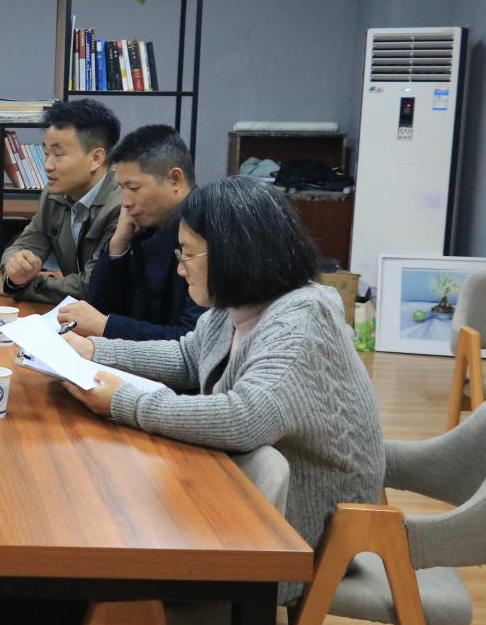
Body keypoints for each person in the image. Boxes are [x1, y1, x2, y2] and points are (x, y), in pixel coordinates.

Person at [64, 176, 384, 596]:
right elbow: (187, 357)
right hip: (247, 495)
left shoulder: (300, 320)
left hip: (303, 532)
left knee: (114, 534)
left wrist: (126, 402)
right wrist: (94, 351)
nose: (180, 267)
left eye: (188, 254)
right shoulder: (236, 303)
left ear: (234, 253)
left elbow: (245, 417)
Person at [59, 124, 204, 340]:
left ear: (175, 179)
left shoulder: (207, 232)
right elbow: (97, 307)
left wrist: (107, 326)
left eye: (134, 188)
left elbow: (191, 340)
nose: (125, 202)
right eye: (121, 188)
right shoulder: (145, 225)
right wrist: (118, 244)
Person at [0, 98, 122, 304]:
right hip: (74, 315)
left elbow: (91, 287)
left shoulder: (123, 205)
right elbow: (24, 244)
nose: (47, 166)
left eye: (58, 155)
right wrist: (15, 266)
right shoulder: (53, 195)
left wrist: (17, 287)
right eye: (46, 154)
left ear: (96, 158)